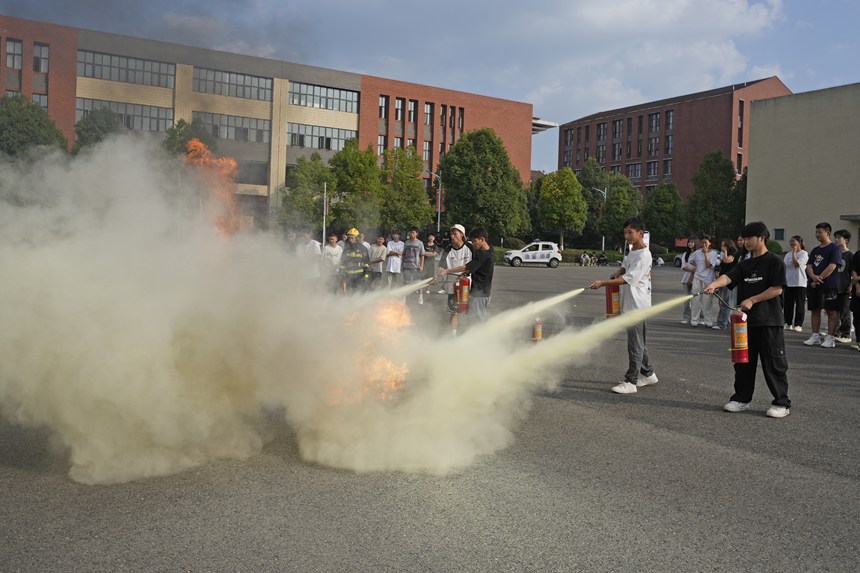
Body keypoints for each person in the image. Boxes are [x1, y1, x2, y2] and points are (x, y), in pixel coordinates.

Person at [703, 221, 791, 418]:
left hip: (769, 321)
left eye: (749, 238)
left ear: (761, 238)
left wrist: (752, 299)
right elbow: (729, 277)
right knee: (743, 363)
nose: (745, 242)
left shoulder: (774, 261)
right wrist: (714, 284)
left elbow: (777, 288)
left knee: (773, 363)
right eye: (744, 238)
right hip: (745, 323)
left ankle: (781, 402)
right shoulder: (745, 264)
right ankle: (741, 399)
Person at [588, 217, 657, 394]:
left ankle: (631, 381)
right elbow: (624, 269)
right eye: (625, 233)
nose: (627, 236)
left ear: (640, 233)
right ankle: (648, 373)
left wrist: (603, 283)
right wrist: (616, 272)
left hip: (637, 306)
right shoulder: (632, 251)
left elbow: (629, 279)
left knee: (635, 344)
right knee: (638, 341)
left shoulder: (644, 255)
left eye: (630, 233)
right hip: (629, 303)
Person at [438, 227, 494, 322]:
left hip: (479, 294)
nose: (473, 243)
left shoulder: (482, 254)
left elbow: (465, 267)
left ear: (482, 239)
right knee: (478, 319)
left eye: (474, 241)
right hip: (484, 293)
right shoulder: (490, 249)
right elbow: (473, 268)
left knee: (475, 322)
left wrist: (447, 271)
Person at [804, 222, 841, 348]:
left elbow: (832, 266)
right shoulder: (815, 250)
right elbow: (809, 266)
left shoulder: (835, 249)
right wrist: (813, 277)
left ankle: (830, 338)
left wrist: (819, 278)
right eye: (816, 232)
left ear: (827, 233)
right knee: (815, 310)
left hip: (829, 285)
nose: (817, 234)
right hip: (814, 285)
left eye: (820, 232)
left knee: (831, 311)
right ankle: (815, 335)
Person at [436, 224, 474, 336]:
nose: (452, 236)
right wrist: (437, 277)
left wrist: (448, 271)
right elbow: (441, 266)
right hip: (452, 284)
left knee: (468, 310)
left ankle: (470, 334)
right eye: (451, 234)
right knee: (453, 311)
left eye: (455, 234)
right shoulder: (448, 249)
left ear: (462, 235)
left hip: (467, 283)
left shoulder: (469, 247)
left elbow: (469, 266)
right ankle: (453, 335)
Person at [689, 235, 720, 327]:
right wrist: (696, 266)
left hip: (708, 280)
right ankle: (694, 320)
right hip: (697, 278)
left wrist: (706, 253)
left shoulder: (713, 254)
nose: (704, 244)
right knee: (695, 300)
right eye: (702, 242)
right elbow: (691, 260)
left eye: (706, 242)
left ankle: (708, 321)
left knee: (707, 301)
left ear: (710, 243)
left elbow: (708, 265)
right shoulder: (697, 252)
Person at [783, 235, 808, 332]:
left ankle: (798, 324)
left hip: (800, 282)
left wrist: (794, 253)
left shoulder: (804, 254)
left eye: (793, 241)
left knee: (800, 304)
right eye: (790, 241)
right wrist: (792, 253)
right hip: (789, 282)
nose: (791, 243)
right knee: (788, 304)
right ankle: (788, 323)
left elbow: (797, 264)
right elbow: (786, 266)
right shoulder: (787, 255)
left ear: (800, 242)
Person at [833, 229, 853, 343]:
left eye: (838, 237)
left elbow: (852, 271)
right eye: (835, 237)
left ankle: (846, 334)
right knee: (833, 311)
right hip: (834, 286)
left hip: (844, 286)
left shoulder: (850, 254)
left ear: (845, 240)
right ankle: (835, 331)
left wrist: (851, 285)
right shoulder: (835, 253)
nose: (836, 239)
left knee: (844, 311)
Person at [713, 239, 738, 330]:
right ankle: (724, 322)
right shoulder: (723, 254)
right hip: (722, 280)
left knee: (726, 303)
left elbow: (727, 261)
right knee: (721, 302)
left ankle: (722, 323)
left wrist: (725, 252)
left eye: (724, 245)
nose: (721, 247)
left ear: (728, 246)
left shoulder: (734, 254)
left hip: (729, 282)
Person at [339, 228, 370, 293]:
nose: (350, 240)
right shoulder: (346, 249)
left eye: (352, 238)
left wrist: (366, 275)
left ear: (356, 238)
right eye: (349, 238)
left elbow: (366, 263)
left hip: (360, 275)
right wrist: (342, 273)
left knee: (359, 292)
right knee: (350, 292)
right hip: (349, 275)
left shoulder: (363, 249)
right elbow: (343, 262)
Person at [402, 228, 426, 304]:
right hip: (407, 265)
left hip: (416, 266)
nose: (411, 234)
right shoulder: (406, 242)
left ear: (416, 234)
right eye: (410, 232)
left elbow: (422, 255)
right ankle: (404, 298)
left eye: (413, 232)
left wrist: (421, 265)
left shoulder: (420, 243)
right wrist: (402, 264)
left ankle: (420, 297)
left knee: (418, 282)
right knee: (406, 282)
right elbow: (404, 254)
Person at [679, 237, 697, 324]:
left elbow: (699, 267)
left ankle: (698, 318)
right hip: (686, 280)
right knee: (686, 300)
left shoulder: (698, 253)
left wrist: (693, 273)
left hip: (696, 280)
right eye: (689, 242)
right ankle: (686, 317)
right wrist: (692, 270)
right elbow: (683, 267)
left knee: (696, 300)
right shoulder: (686, 254)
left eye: (692, 242)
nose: (690, 244)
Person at [850, 246, 860, 350]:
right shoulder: (857, 254)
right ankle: (858, 340)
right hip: (858, 290)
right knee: (857, 316)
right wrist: (857, 286)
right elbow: (853, 271)